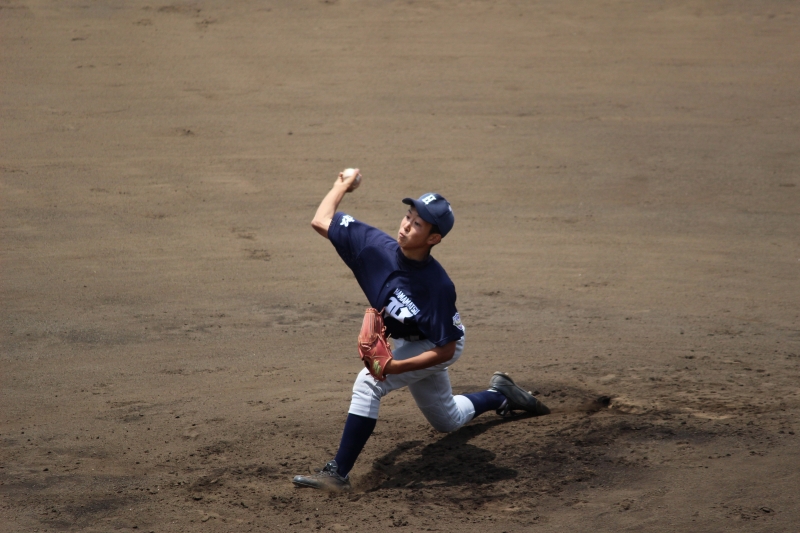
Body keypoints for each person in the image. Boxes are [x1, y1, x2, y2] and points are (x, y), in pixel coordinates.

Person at [292, 168, 550, 492]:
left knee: (369, 382)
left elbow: (445, 349)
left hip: (438, 344)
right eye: (408, 217)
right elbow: (322, 221)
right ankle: (501, 395)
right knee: (447, 420)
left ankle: (337, 473)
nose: (405, 225)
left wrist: (395, 367)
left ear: (433, 238)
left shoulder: (437, 287)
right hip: (410, 341)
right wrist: (341, 185)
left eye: (417, 224)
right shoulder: (372, 245)